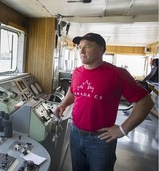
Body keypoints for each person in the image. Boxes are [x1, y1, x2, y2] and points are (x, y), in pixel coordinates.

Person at [54, 32, 154, 171]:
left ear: (101, 49)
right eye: (80, 47)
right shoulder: (77, 72)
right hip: (75, 133)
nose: (81, 51)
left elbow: (146, 102)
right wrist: (63, 104)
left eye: (87, 46)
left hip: (101, 140)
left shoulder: (118, 74)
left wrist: (123, 129)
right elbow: (73, 91)